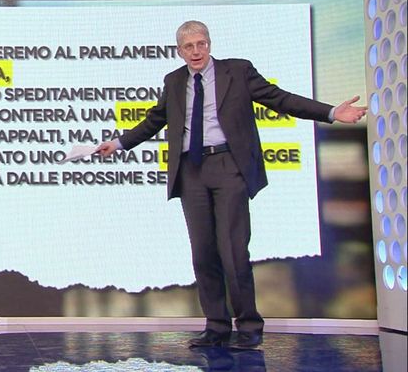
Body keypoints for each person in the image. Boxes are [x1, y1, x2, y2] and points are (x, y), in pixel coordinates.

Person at [97, 21, 365, 349]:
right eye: (188, 46)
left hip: (228, 165)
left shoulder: (237, 71)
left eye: (201, 44)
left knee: (233, 250)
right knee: (203, 253)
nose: (196, 51)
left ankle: (249, 325)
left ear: (209, 44)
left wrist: (332, 112)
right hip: (190, 170)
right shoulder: (174, 80)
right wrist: (119, 143)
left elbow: (280, 99)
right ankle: (216, 326)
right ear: (179, 51)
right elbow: (155, 119)